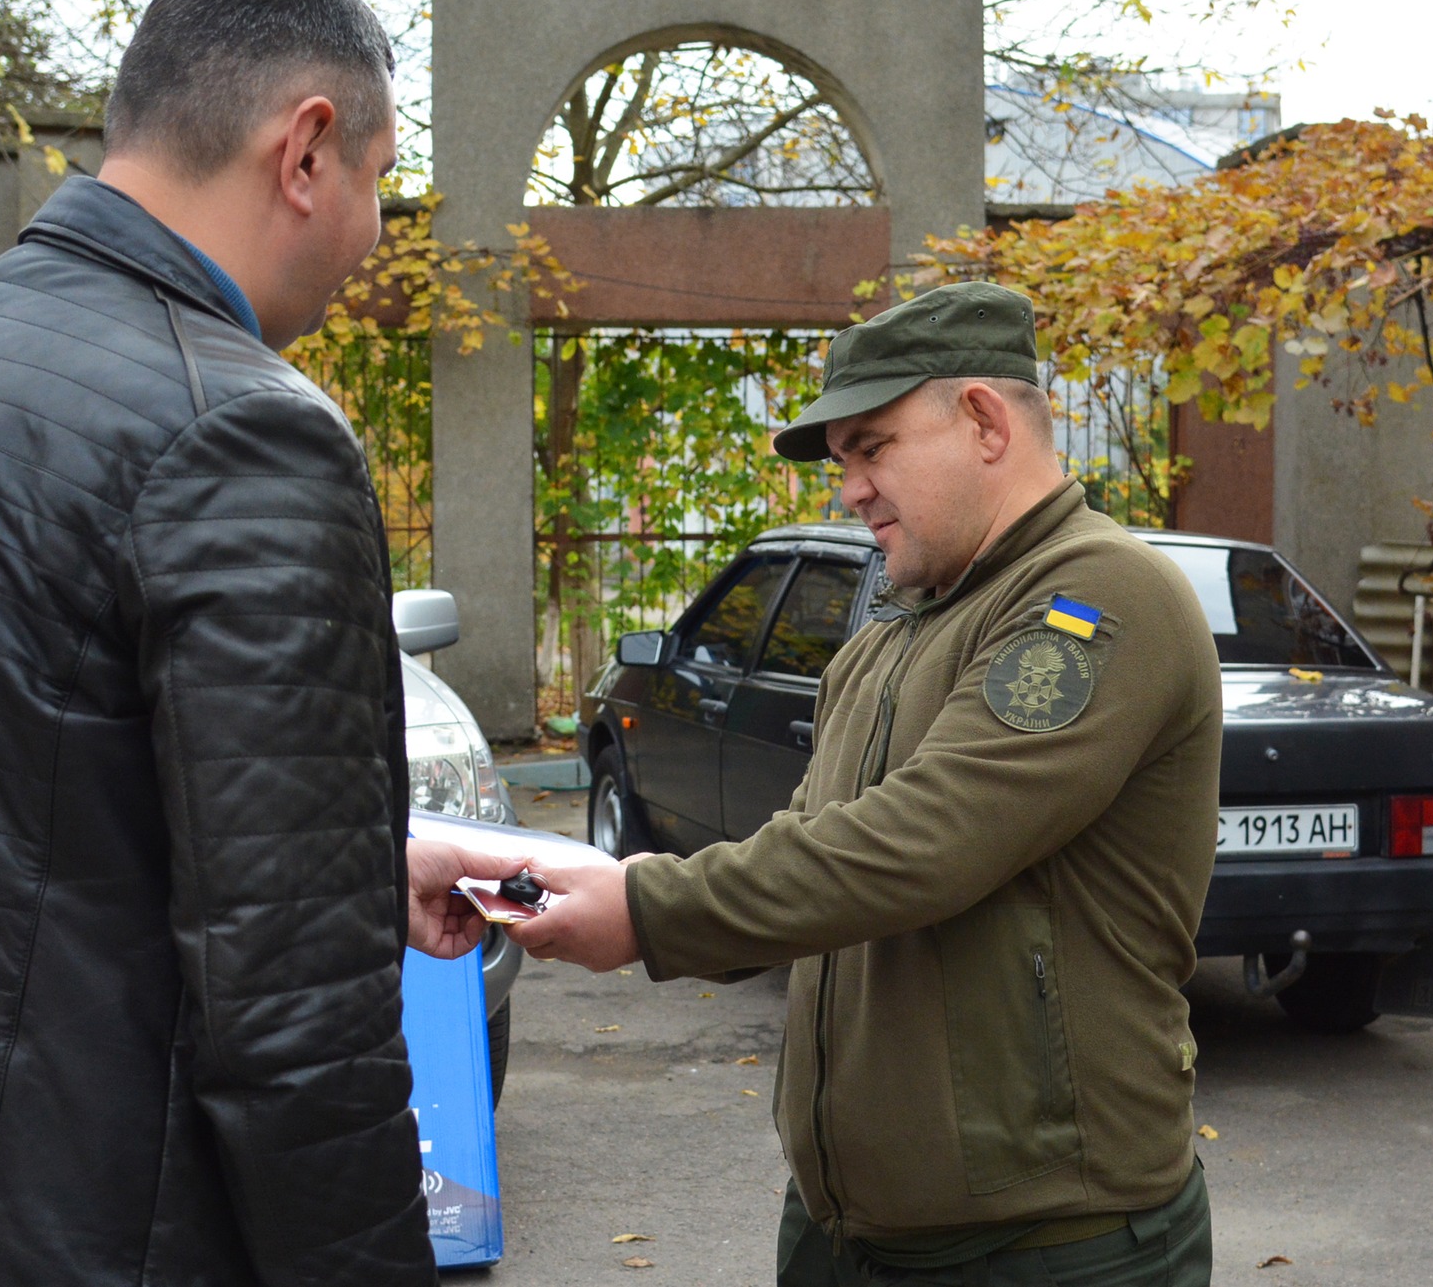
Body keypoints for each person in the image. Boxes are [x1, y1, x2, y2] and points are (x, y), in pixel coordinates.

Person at [0, 0, 522, 1287]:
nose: (377, 233)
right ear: (305, 151)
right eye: (379, 183)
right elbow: (298, 1027)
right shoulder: (240, 429)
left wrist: (356, 862)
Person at [506, 282, 1224, 1286]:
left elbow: (922, 844)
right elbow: (812, 846)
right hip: (850, 1228)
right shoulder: (900, 624)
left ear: (980, 419)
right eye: (841, 460)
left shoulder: (1094, 597)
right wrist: (598, 884)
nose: (848, 489)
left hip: (1048, 1243)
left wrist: (642, 908)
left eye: (871, 447)